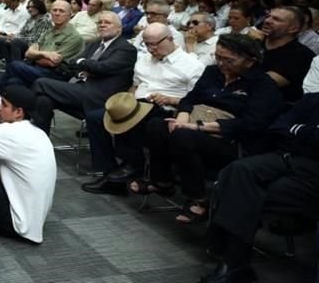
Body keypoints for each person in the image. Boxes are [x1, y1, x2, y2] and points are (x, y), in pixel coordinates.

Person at [136, 34, 284, 224]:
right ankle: (162, 181)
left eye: (228, 60)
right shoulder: (213, 72)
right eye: (218, 57)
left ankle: (198, 198)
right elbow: (190, 99)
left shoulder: (263, 85)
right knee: (158, 125)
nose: (222, 63)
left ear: (250, 61)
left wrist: (197, 127)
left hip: (230, 140)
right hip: (195, 123)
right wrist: (182, 117)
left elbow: (251, 124)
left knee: (183, 136)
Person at [199, 92, 319, 283]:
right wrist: (305, 133)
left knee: (243, 193)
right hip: (287, 156)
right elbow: (278, 128)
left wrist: (299, 131)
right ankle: (235, 265)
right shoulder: (312, 100)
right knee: (236, 171)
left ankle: (232, 263)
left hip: (313, 169)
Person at [81, 23, 205, 193]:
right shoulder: (145, 59)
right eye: (147, 44)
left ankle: (132, 165)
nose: (151, 49)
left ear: (170, 39)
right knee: (96, 117)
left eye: (155, 44)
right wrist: (128, 98)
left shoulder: (191, 65)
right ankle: (109, 171)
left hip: (168, 108)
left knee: (140, 119)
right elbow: (135, 85)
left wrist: (171, 99)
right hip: (139, 102)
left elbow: (196, 101)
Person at [0, 85, 56, 244]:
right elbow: (18, 170)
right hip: (34, 219)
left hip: (17, 225)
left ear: (18, 112)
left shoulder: (9, 132)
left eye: (4, 104)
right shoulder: (38, 133)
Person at [32, 11, 137, 136]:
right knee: (44, 100)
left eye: (107, 23)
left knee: (41, 83)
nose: (102, 25)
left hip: (98, 96)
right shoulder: (95, 43)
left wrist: (84, 62)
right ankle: (40, 142)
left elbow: (102, 68)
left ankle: (21, 118)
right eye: (100, 22)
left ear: (119, 28)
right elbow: (72, 63)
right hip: (80, 87)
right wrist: (84, 71)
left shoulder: (126, 48)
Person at [0, 0, 83, 91]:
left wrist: (35, 55)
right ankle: (0, 98)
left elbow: (51, 63)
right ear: (50, 12)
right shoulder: (49, 31)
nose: (57, 13)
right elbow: (28, 53)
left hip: (55, 74)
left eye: (61, 11)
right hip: (37, 68)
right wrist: (45, 54)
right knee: (14, 81)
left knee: (14, 65)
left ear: (70, 14)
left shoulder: (74, 37)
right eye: (55, 10)